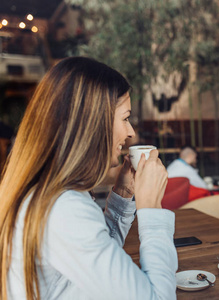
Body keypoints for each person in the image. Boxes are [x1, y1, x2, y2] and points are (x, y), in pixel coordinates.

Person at [0, 57, 177, 299]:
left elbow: (100, 265)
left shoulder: (53, 192)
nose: (130, 132)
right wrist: (151, 209)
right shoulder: (64, 209)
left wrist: (123, 194)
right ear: (94, 123)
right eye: (125, 118)